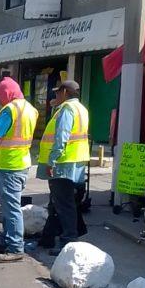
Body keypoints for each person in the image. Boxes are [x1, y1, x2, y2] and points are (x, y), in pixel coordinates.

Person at [0, 77, 38, 263]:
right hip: (20, 163)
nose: (0, 100)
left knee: (11, 208)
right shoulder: (30, 109)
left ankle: (15, 247)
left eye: (0, 96)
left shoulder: (10, 110)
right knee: (9, 206)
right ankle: (7, 242)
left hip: (10, 165)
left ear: (6, 94)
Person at [37, 79, 90, 255]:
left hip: (63, 163)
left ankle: (68, 241)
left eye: (58, 92)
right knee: (60, 203)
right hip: (76, 162)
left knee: (64, 204)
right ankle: (49, 237)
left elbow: (61, 137)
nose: (55, 95)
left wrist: (51, 161)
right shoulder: (81, 109)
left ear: (65, 93)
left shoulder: (67, 110)